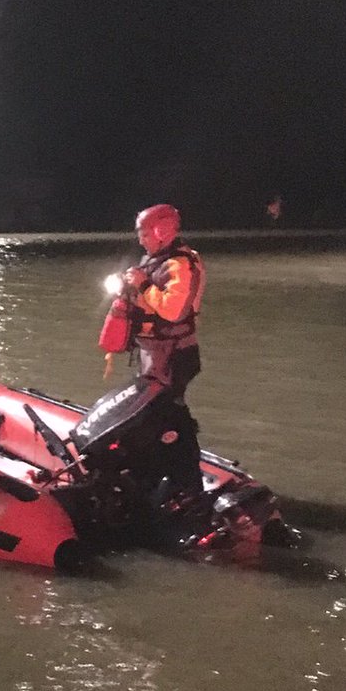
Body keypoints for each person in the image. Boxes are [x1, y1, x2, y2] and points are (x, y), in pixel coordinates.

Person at [122, 203, 206, 492]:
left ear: (161, 231)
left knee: (167, 415)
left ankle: (185, 476)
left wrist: (143, 285)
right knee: (160, 414)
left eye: (144, 233)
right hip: (156, 354)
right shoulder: (157, 260)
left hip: (173, 356)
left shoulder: (180, 264)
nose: (141, 239)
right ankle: (168, 468)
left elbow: (174, 311)